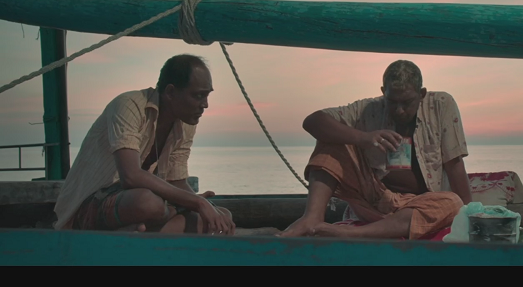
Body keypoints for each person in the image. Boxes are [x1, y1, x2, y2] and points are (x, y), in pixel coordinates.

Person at [278, 60, 472, 240]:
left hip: (419, 206)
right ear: (383, 92)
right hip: (375, 201)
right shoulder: (369, 108)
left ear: (421, 94)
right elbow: (313, 121)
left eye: (407, 103)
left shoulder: (440, 104)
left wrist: (469, 216)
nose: (399, 110)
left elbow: (454, 163)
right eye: (392, 102)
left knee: (453, 203)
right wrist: (363, 138)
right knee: (330, 138)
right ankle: (312, 218)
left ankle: (353, 233)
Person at [53, 54, 236, 235]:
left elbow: (176, 181)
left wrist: (203, 206)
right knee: (147, 202)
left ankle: (136, 233)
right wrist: (196, 202)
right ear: (170, 92)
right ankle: (157, 223)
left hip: (146, 209)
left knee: (222, 216)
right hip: (91, 206)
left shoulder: (185, 122)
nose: (205, 104)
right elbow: (130, 176)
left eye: (207, 96)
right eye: (198, 96)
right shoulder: (128, 105)